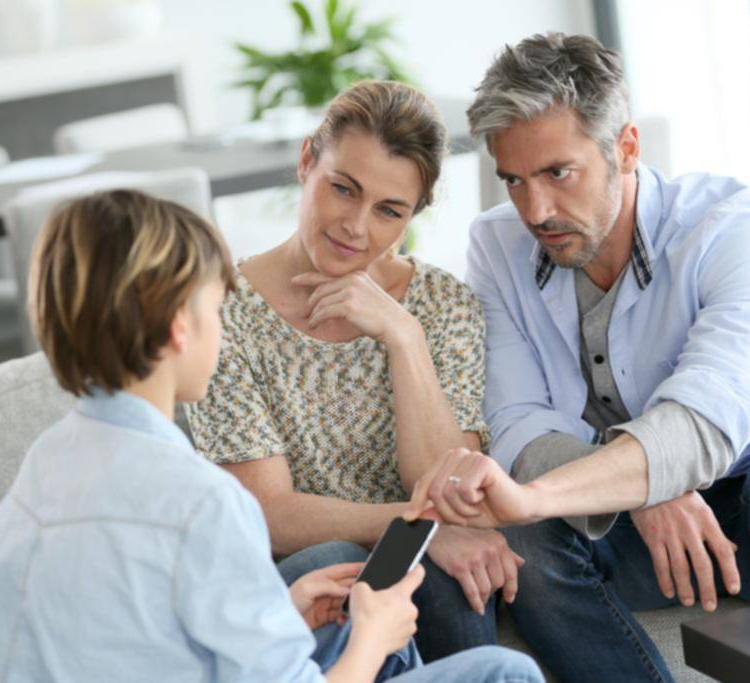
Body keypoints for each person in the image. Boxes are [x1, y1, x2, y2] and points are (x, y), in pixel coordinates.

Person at [0, 189, 542, 683]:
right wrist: (374, 634)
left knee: (335, 637)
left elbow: (136, 635)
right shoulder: (202, 503)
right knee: (502, 672)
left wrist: (283, 613)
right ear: (178, 328)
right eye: (218, 309)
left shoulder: (47, 462)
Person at [405, 32, 750, 683]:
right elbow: (519, 420)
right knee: (527, 531)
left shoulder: (730, 225)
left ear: (626, 148)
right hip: (616, 526)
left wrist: (630, 477)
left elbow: (705, 416)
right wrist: (637, 492)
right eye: (513, 180)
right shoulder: (496, 245)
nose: (535, 209)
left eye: (557, 172)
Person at [184, 80, 522, 662]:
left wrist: (404, 337)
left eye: (389, 211)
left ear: (414, 215)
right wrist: (421, 528)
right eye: (343, 189)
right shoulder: (222, 314)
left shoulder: (443, 306)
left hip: (418, 573)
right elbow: (268, 512)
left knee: (441, 578)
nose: (355, 228)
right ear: (306, 161)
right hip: (306, 576)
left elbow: (451, 489)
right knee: (338, 558)